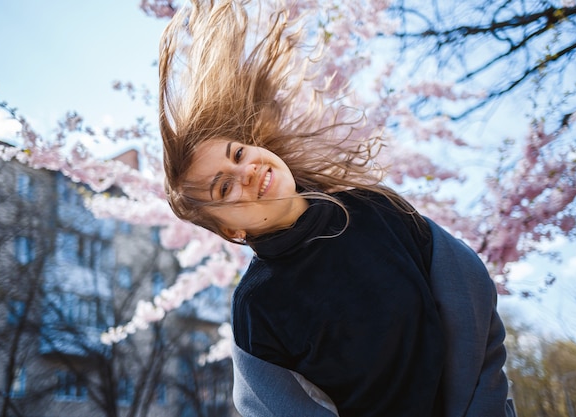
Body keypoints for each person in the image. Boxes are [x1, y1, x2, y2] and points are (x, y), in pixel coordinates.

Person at [159, 1, 516, 416]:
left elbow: (471, 297)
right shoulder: (257, 307)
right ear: (231, 232)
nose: (248, 171)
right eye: (225, 188)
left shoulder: (373, 207)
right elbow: (272, 407)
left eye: (238, 153)